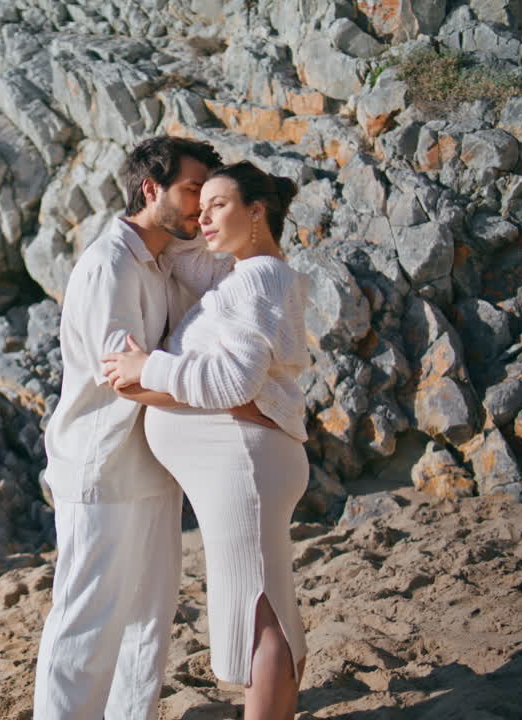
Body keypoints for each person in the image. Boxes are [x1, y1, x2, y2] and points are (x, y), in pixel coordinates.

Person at [32, 136, 268, 720]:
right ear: (150, 189)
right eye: (192, 190)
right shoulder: (111, 265)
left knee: (147, 623)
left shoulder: (164, 260)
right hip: (101, 464)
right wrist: (224, 391)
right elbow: (123, 375)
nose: (202, 205)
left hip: (153, 469)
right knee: (85, 623)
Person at [101, 161, 310, 720]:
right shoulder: (245, 274)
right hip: (244, 462)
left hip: (243, 464)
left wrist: (149, 368)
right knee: (266, 607)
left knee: (258, 613)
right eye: (201, 202)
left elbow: (234, 381)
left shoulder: (259, 275)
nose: (203, 214)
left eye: (218, 203)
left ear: (257, 211)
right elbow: (185, 256)